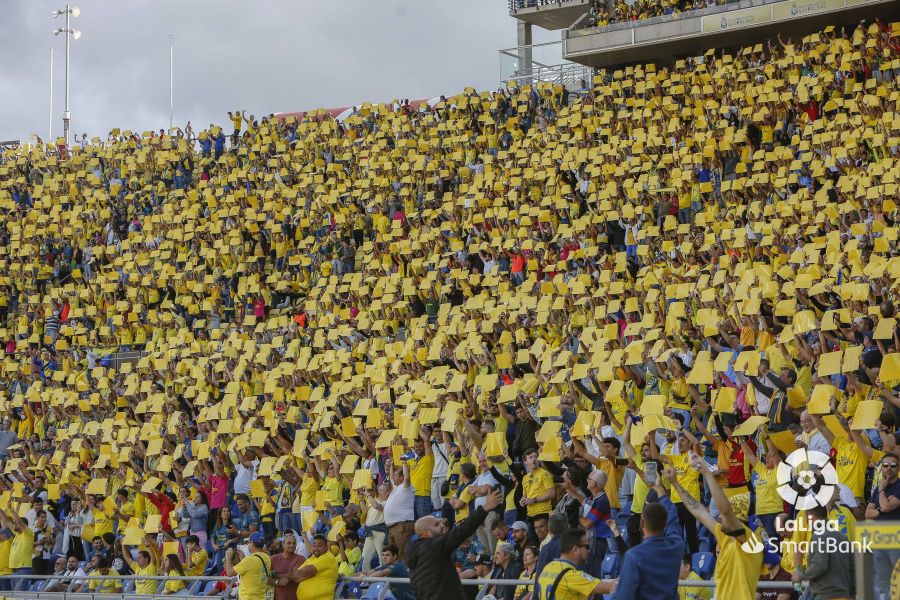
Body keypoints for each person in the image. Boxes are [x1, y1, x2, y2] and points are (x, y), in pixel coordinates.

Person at [666, 455, 762, 600]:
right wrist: (675, 484)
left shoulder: (749, 539)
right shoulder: (724, 536)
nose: (720, 517)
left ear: (736, 519)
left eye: (725, 517)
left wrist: (706, 473)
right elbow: (699, 511)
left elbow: (725, 511)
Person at [405, 488, 503, 600]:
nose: (442, 525)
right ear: (426, 533)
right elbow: (461, 532)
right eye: (437, 525)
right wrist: (484, 508)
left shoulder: (416, 553)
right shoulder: (433, 546)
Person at [612, 467, 684, 599]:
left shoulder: (633, 556)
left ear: (641, 523)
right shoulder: (676, 546)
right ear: (665, 524)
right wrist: (659, 488)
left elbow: (624, 596)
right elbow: (673, 516)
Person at [533, 528, 616, 599]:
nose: (589, 551)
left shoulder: (548, 568)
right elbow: (610, 587)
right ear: (575, 549)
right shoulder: (571, 575)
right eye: (586, 547)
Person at [793, 505, 855, 600]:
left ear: (810, 516)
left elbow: (819, 564)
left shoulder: (819, 536)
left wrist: (801, 576)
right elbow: (853, 569)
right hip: (845, 595)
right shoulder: (843, 539)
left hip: (826, 595)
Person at [865, 451, 900, 599]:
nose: (888, 468)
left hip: (895, 539)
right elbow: (868, 513)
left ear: (898, 468)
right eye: (885, 465)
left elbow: (885, 507)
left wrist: (881, 490)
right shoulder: (879, 488)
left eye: (893, 465)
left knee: (897, 578)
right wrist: (882, 498)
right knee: (882, 581)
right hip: (879, 539)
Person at [225, 530, 271, 600]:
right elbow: (253, 570)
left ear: (252, 543)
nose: (247, 545)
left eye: (248, 543)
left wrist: (228, 557)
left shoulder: (250, 560)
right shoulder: (267, 557)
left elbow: (229, 573)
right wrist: (243, 558)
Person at [384, 462, 415, 557]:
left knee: (403, 556)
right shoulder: (396, 488)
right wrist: (392, 464)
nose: (392, 478)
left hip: (402, 527)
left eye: (395, 476)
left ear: (402, 477)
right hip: (393, 528)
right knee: (394, 558)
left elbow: (407, 477)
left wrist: (405, 463)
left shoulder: (407, 487)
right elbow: (391, 476)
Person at [295, 534, 339, 600]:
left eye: (319, 546)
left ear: (326, 547)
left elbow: (302, 573)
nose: (316, 548)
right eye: (314, 546)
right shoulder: (313, 557)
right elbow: (297, 574)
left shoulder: (328, 557)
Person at [270, 532, 304, 600]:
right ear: (283, 544)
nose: (292, 545)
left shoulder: (300, 559)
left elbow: (294, 575)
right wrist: (277, 582)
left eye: (294, 543)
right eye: (289, 543)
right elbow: (265, 578)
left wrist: (276, 575)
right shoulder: (273, 558)